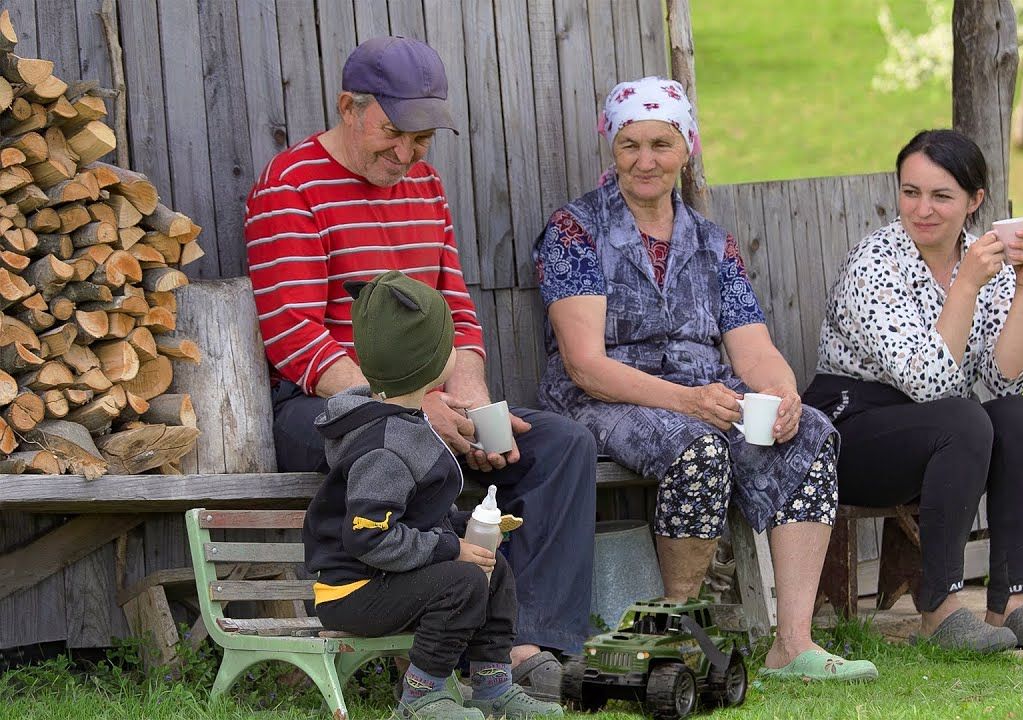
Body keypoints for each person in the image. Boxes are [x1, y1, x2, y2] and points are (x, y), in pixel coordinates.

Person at [244, 36, 595, 694]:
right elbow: (292, 335)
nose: (406, 155)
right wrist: (405, 411)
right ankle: (441, 646)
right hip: (327, 406)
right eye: (392, 134)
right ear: (349, 107)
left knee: (559, 446)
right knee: (407, 449)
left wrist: (473, 404)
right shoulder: (289, 187)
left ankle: (526, 644)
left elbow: (457, 310)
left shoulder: (425, 185)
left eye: (422, 139)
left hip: (427, 399)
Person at [534, 76, 877, 682]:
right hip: (605, 398)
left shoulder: (712, 243)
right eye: (630, 145)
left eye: (661, 144)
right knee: (697, 450)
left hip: (702, 395)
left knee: (812, 434)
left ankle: (792, 643)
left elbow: (754, 347)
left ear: (686, 147)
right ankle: (673, 632)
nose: (646, 161)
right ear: (610, 150)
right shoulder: (575, 231)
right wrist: (689, 403)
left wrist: (783, 392)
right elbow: (586, 363)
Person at [803, 128, 1023, 652]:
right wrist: (967, 287)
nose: (922, 209)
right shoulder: (877, 262)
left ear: (975, 201)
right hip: (847, 431)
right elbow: (929, 382)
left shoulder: (982, 260)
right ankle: (939, 610)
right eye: (911, 192)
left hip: (935, 429)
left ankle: (1011, 608)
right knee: (963, 418)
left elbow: (1008, 379)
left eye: (941, 195)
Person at [305, 271, 563, 720]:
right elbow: (368, 538)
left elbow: (414, 517)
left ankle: (492, 686)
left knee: (492, 567)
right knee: (463, 578)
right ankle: (419, 697)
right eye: (450, 344)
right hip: (353, 592)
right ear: (434, 361)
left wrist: (472, 532)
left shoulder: (405, 421)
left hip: (387, 578)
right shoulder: (384, 446)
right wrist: (450, 547)